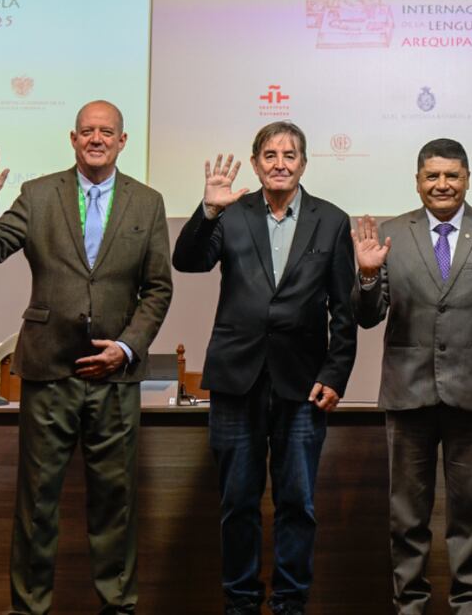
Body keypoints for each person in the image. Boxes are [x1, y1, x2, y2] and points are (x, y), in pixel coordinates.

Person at [0, 100, 173, 614]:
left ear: (123, 141)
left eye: (106, 131)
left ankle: (117, 606)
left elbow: (158, 289)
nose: (96, 138)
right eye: (86, 131)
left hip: (115, 379)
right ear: (73, 139)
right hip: (49, 371)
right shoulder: (37, 195)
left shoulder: (147, 202)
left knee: (115, 506)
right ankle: (29, 607)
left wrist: (126, 347)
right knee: (37, 504)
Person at [172, 121, 357, 615]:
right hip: (237, 379)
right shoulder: (232, 215)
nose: (280, 163)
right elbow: (187, 260)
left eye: (289, 155)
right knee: (238, 503)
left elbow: (344, 308)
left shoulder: (331, 220)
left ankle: (291, 603)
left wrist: (336, 374)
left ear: (303, 163)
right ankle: (241, 601)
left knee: (298, 503)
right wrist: (208, 209)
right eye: (270, 155)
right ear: (255, 163)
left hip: (303, 383)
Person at [352, 138, 472, 614]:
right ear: (417, 182)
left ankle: (468, 603)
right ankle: (409, 605)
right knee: (406, 516)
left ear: (468, 178)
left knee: (469, 514)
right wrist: (368, 276)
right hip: (408, 392)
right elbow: (369, 316)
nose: (442, 184)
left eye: (452, 175)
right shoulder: (391, 233)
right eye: (432, 176)